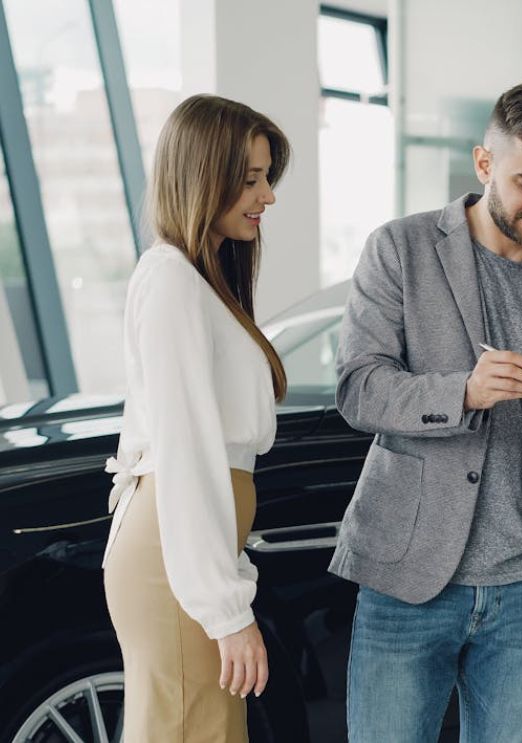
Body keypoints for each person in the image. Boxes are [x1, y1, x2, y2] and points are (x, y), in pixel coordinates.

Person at [329, 81, 522, 743]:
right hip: (409, 581)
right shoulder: (398, 250)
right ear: (484, 163)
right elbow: (358, 388)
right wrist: (461, 391)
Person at [102, 94, 290, 742]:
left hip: (186, 549)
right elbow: (186, 453)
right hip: (174, 554)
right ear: (201, 175)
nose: (266, 195)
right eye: (250, 179)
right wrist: (226, 608)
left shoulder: (197, 280)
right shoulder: (173, 280)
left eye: (267, 176)